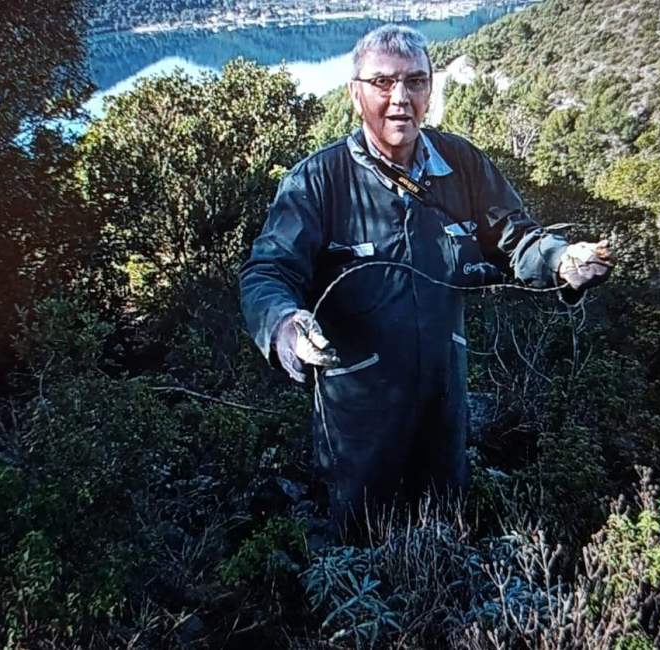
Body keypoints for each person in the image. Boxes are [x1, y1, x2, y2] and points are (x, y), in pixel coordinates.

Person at [239, 24, 611, 533]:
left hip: (443, 404)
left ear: (430, 89)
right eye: (383, 82)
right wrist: (285, 325)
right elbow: (268, 272)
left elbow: (515, 238)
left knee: (444, 530)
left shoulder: (461, 164)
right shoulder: (319, 180)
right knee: (361, 540)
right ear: (355, 94)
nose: (400, 98)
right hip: (358, 418)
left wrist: (562, 260)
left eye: (415, 81)